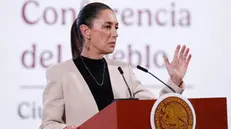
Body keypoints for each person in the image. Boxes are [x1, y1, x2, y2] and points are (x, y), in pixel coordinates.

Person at [39, 2, 192, 129]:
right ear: (86, 31)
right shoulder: (60, 73)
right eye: (107, 27)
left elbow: (154, 111)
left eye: (116, 27)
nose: (115, 33)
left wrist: (174, 81)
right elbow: (48, 124)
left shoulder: (123, 71)